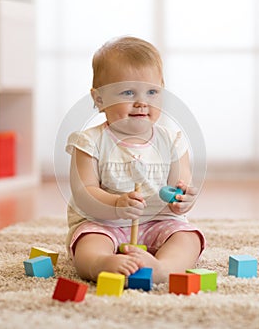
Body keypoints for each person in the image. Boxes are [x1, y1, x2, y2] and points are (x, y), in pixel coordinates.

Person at [65, 36, 205, 284]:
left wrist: (183, 200)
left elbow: (180, 186)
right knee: (89, 243)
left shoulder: (172, 141)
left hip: (159, 221)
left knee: (187, 237)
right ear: (99, 99)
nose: (142, 102)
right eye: (128, 92)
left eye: (152, 92)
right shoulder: (88, 142)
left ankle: (164, 267)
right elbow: (83, 193)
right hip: (104, 223)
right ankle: (100, 263)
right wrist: (116, 204)